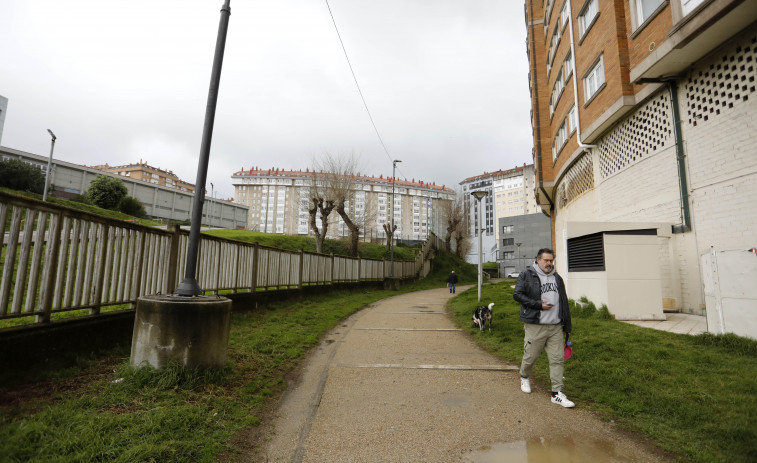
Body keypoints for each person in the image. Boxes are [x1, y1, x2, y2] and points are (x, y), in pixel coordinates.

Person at [513, 248, 574, 408]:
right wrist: (538, 305)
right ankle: (524, 376)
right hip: (535, 325)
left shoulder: (557, 278)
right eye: (546, 260)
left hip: (555, 326)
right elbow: (517, 295)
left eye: (551, 260)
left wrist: (567, 324)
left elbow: (564, 302)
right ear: (538, 259)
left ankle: (556, 393)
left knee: (557, 359)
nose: (549, 263)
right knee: (530, 356)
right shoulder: (527, 275)